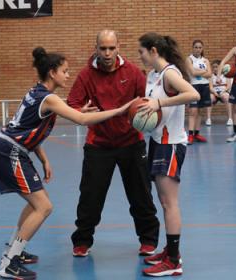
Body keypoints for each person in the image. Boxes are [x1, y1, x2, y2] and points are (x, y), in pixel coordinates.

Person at [0, 47, 134, 279]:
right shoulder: (49, 98)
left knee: (35, 203)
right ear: (52, 73)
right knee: (43, 207)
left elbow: (31, 127)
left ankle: (14, 249)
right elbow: (81, 119)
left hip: (11, 149)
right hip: (10, 152)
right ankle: (8, 263)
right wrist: (119, 110)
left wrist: (45, 160)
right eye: (65, 71)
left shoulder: (38, 93)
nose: (68, 75)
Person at [67, 30, 160, 257]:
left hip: (131, 142)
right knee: (90, 196)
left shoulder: (133, 72)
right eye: (103, 48)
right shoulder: (86, 75)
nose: (107, 53)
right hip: (98, 144)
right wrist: (80, 111)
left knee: (141, 194)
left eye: (111, 48)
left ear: (119, 46)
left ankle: (148, 239)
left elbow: (148, 98)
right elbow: (72, 105)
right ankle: (82, 241)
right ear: (96, 48)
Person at [137, 32, 200, 277]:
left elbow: (192, 94)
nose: (140, 56)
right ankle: (169, 250)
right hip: (157, 141)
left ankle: (173, 261)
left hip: (171, 144)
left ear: (153, 51)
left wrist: (158, 104)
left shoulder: (169, 73)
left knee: (169, 202)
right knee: (164, 202)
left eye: (141, 52)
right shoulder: (153, 75)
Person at [185, 40, 212, 145]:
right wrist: (204, 72)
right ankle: (190, 135)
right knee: (193, 112)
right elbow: (192, 72)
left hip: (204, 86)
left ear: (202, 49)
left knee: (200, 111)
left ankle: (196, 134)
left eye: (200, 47)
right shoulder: (189, 59)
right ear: (192, 48)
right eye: (196, 47)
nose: (198, 49)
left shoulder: (206, 60)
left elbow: (210, 74)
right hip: (194, 86)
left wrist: (199, 72)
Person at [206, 59, 233, 126]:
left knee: (226, 97)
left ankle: (230, 118)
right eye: (214, 67)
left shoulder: (226, 74)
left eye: (217, 67)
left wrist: (223, 91)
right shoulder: (211, 76)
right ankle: (208, 118)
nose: (215, 69)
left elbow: (229, 86)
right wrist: (215, 93)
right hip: (214, 93)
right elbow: (211, 87)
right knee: (210, 98)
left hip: (223, 92)